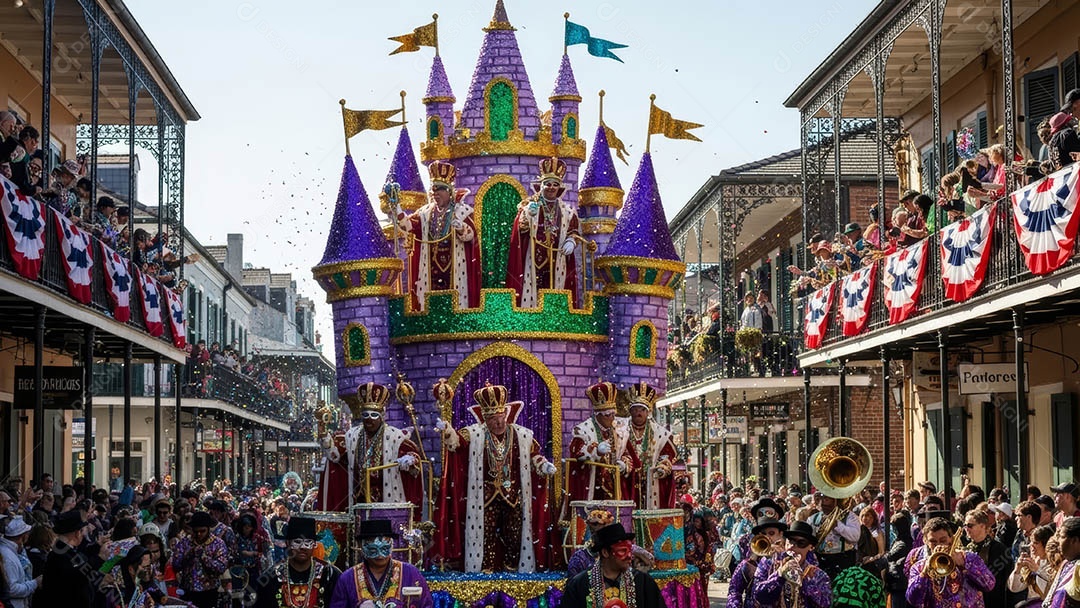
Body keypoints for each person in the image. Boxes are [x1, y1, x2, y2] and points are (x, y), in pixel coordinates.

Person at [433, 382, 557, 572]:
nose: (498, 423)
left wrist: (543, 465)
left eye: (501, 418)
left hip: (513, 496)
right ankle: (486, 569)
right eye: (493, 419)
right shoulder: (474, 433)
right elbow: (457, 445)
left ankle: (512, 568)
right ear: (485, 418)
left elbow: (534, 455)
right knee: (485, 534)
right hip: (485, 497)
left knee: (515, 534)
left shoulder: (521, 435)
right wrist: (448, 431)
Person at [317, 382, 422, 512]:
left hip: (386, 498)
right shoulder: (352, 436)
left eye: (374, 415)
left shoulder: (395, 436)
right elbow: (334, 456)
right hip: (358, 500)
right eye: (365, 415)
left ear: (382, 416)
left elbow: (414, 456)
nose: (369, 419)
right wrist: (323, 434)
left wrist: (409, 459)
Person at [394, 160, 479, 311]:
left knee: (456, 304)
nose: (435, 193)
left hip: (456, 267)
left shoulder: (463, 211)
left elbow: (472, 237)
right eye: (433, 189)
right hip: (430, 269)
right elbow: (407, 227)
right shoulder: (424, 213)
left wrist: (460, 228)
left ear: (449, 191)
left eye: (439, 189)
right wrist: (397, 207)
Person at [506, 156, 581, 308]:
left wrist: (572, 241)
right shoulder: (528, 206)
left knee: (555, 293)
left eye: (555, 184)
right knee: (532, 292)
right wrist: (527, 215)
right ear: (541, 186)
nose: (551, 187)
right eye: (547, 184)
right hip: (533, 259)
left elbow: (573, 231)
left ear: (559, 188)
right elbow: (520, 230)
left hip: (558, 259)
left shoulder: (567, 212)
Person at [329, 518, 430, 608]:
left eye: (384, 548)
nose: (380, 555)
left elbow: (427, 604)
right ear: (362, 547)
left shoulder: (411, 573)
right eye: (373, 550)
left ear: (392, 545)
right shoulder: (348, 578)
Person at [568, 381, 639, 504]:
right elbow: (576, 455)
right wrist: (596, 452)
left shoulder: (619, 431)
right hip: (591, 487)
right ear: (598, 415)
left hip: (614, 488)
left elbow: (628, 455)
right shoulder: (583, 430)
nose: (612, 418)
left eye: (613, 414)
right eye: (608, 415)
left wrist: (624, 465)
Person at [563, 522, 664, 608]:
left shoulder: (643, 582)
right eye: (622, 551)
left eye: (629, 551)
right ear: (605, 552)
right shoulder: (579, 585)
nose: (629, 556)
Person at [906, 516, 995, 608]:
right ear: (925, 541)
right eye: (933, 542)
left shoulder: (970, 558)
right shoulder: (919, 567)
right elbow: (913, 600)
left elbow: (989, 584)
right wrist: (924, 572)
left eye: (943, 540)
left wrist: (965, 565)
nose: (939, 545)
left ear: (951, 539)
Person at [252, 516, 341, 608]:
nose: (302, 547)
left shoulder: (329, 575)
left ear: (314, 544)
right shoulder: (270, 578)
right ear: (287, 543)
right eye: (297, 542)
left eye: (308, 542)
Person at [38, 510, 109, 607]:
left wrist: (97, 546)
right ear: (77, 533)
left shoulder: (63, 550)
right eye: (83, 530)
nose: (84, 534)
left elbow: (81, 557)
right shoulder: (59, 555)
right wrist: (99, 559)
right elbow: (78, 576)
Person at [754, 521, 832, 608]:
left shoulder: (818, 574)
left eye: (800, 543)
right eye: (790, 541)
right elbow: (757, 595)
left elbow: (826, 604)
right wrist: (779, 574)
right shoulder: (768, 562)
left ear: (810, 547)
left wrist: (807, 583)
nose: (792, 546)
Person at [625, 381, 678, 510]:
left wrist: (663, 466)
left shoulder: (660, 433)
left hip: (651, 484)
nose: (639, 413)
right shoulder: (620, 430)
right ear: (630, 411)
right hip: (627, 483)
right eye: (636, 409)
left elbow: (667, 456)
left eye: (642, 410)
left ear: (647, 412)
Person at [171, 510, 228, 608]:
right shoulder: (185, 542)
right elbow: (176, 565)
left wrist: (204, 558)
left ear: (208, 529)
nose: (199, 535)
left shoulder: (218, 544)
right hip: (188, 590)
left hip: (209, 592)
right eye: (196, 531)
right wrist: (189, 555)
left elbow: (221, 567)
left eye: (202, 531)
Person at [728, 516, 788, 608]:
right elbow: (734, 591)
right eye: (763, 534)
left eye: (771, 533)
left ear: (780, 534)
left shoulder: (788, 559)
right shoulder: (748, 564)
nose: (767, 537)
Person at [964, 508, 1011, 608]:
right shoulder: (967, 548)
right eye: (965, 525)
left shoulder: (1000, 550)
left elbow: (1000, 583)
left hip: (993, 602)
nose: (966, 529)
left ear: (982, 526)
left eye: (970, 525)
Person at [809, 495, 861, 580]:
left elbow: (855, 537)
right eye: (822, 498)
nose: (824, 501)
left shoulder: (849, 516)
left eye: (827, 498)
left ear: (835, 500)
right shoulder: (813, 518)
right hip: (821, 559)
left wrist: (838, 525)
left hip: (842, 559)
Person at [0, 516, 41, 608]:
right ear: (23, 536)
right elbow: (11, 589)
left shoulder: (12, 550)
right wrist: (35, 583)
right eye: (27, 534)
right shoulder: (7, 557)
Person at [1008, 524, 1053, 606]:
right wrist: (1017, 569)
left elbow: (1052, 588)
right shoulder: (1031, 561)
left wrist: (1038, 570)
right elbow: (1014, 588)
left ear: (1046, 545)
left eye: (1036, 543)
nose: (1031, 546)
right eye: (1031, 541)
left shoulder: (1055, 564)